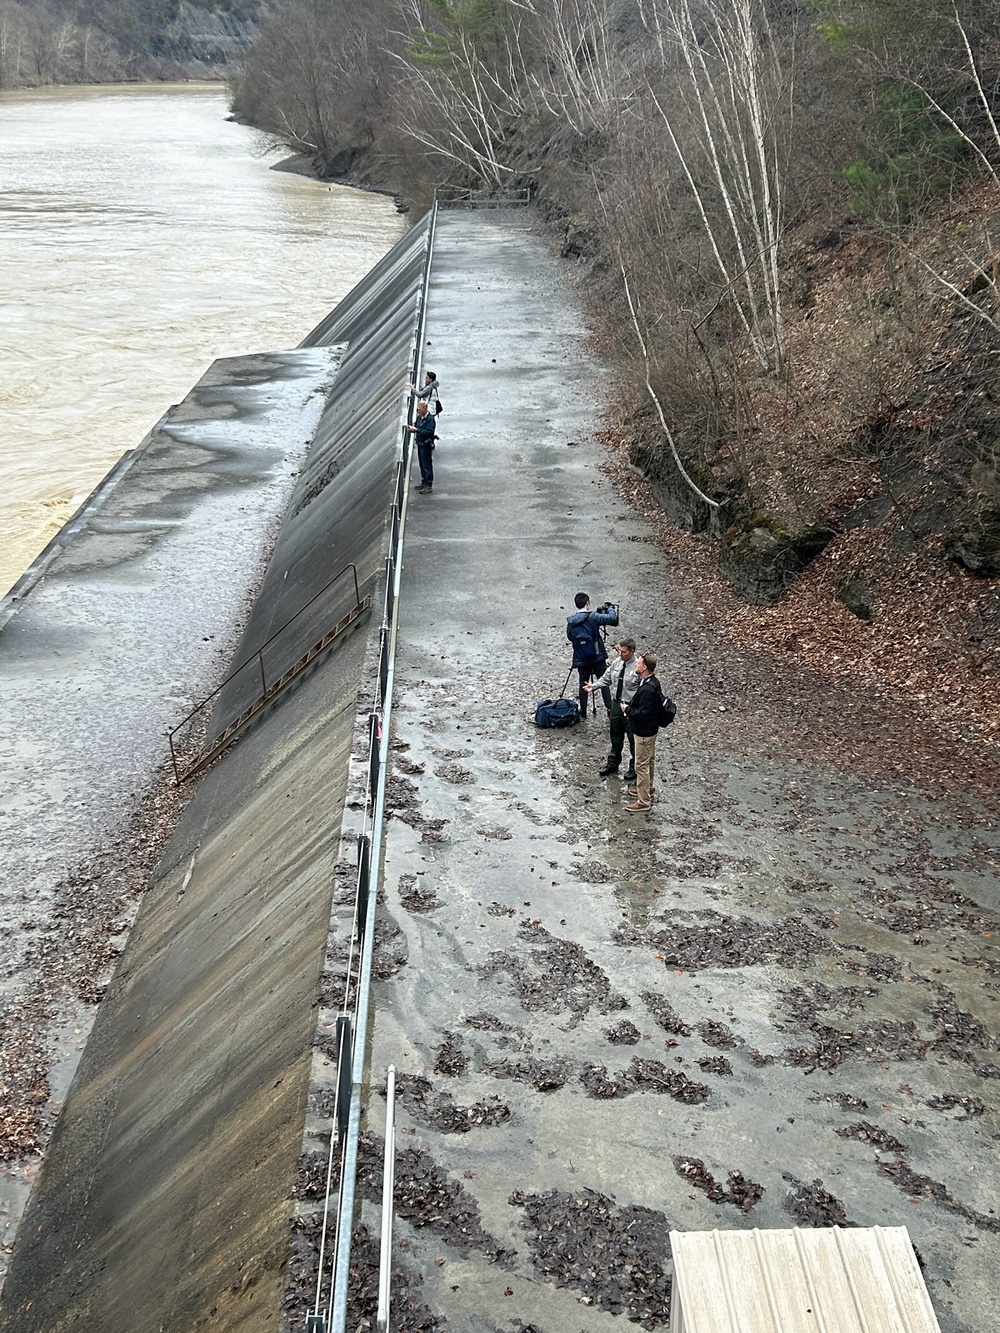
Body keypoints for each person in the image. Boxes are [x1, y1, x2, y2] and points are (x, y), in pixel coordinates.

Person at [586, 637, 639, 780]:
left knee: (633, 738)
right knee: (615, 734)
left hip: (630, 706)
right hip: (617, 703)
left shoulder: (638, 667)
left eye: (623, 652)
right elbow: (607, 678)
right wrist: (594, 686)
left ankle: (635, 767)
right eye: (619, 651)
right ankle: (613, 763)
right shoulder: (617, 663)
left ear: (632, 651)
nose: (620, 654)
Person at [622, 651, 666, 812]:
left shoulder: (647, 689)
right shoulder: (652, 682)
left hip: (644, 733)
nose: (636, 665)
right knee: (649, 761)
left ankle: (643, 800)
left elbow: (644, 713)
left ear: (645, 667)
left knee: (641, 765)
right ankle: (648, 788)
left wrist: (627, 709)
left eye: (639, 663)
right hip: (651, 730)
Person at [566, 592, 619, 718]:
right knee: (603, 681)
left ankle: (583, 712)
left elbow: (570, 637)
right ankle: (610, 710)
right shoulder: (593, 617)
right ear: (587, 603)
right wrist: (610, 608)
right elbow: (612, 619)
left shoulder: (571, 621)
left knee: (583, 683)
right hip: (597, 656)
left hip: (581, 658)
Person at [407, 399, 437, 494]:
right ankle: (424, 481)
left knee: (427, 464)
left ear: (425, 408)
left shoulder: (430, 419)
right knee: (422, 463)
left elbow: (429, 432)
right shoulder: (420, 418)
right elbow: (417, 425)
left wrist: (417, 430)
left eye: (419, 409)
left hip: (426, 444)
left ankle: (429, 484)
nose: (418, 411)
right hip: (420, 443)